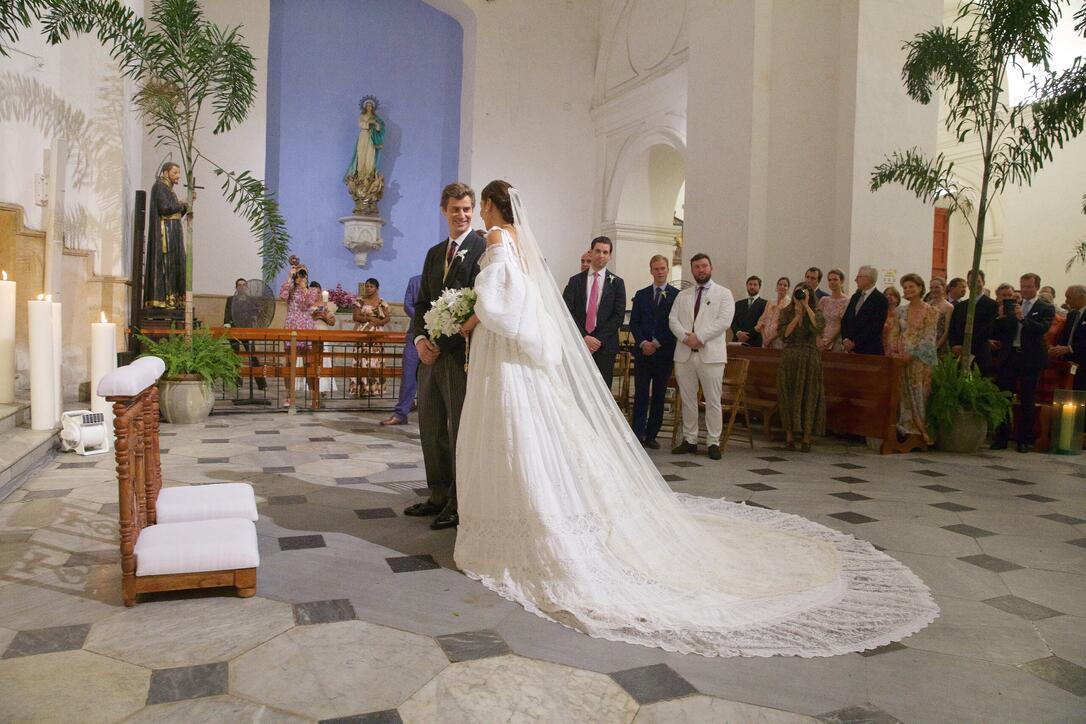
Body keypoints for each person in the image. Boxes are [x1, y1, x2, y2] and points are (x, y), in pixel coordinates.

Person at [452, 180, 937, 658]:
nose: (482, 217)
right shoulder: (522, 244)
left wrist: (473, 312)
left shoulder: (497, 238)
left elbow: (501, 301)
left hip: (512, 347)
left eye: (483, 208)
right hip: (533, 350)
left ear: (493, 207)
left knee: (519, 429)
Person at [404, 182, 487, 531]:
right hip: (430, 356)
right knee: (430, 425)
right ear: (444, 211)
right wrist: (421, 340)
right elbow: (423, 301)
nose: (462, 214)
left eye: (467, 208)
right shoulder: (435, 252)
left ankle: (458, 500)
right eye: (455, 209)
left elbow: (481, 303)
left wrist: (444, 343)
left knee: (457, 430)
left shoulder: (482, 249)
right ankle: (437, 494)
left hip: (459, 356)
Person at [668, 253, 735, 460]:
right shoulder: (683, 295)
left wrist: (700, 337)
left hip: (710, 355)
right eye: (696, 267)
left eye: (704, 266)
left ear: (711, 268)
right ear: (692, 270)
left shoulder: (723, 294)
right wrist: (684, 336)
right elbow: (672, 319)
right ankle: (690, 439)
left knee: (713, 400)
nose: (701, 270)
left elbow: (724, 321)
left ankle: (713, 441)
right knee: (688, 400)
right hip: (685, 353)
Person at [991, 273, 1054, 452]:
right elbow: (999, 332)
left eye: (1029, 287)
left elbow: (1042, 328)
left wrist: (1023, 319)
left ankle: (1024, 440)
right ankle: (1001, 437)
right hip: (1010, 355)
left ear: (1036, 288)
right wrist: (1001, 317)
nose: (1025, 290)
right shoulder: (1012, 305)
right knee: (1004, 397)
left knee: (1027, 399)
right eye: (1023, 286)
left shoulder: (1045, 307)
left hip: (1030, 358)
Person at [562, 237, 626, 389]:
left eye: (605, 252)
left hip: (605, 346)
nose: (601, 255)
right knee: (578, 388)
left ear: (610, 256)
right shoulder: (575, 281)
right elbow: (566, 311)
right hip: (579, 343)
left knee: (602, 390)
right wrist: (583, 337)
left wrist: (596, 340)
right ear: (591, 253)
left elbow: (618, 316)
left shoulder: (617, 283)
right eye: (598, 251)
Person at [629, 255, 678, 449]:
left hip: (663, 353)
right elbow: (634, 322)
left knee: (658, 395)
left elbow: (675, 324)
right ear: (651, 271)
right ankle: (637, 433)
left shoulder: (676, 295)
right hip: (643, 353)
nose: (660, 272)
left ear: (667, 270)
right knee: (641, 393)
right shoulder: (641, 295)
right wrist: (642, 342)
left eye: (663, 268)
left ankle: (651, 435)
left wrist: (657, 343)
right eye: (656, 269)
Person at [887, 274, 938, 443]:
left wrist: (912, 353)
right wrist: (894, 352)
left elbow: (929, 337)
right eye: (905, 287)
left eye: (911, 286)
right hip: (901, 358)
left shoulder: (931, 311)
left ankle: (921, 432)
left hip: (920, 360)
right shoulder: (900, 310)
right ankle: (906, 428)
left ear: (920, 288)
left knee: (919, 393)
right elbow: (894, 333)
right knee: (903, 393)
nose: (908, 290)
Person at [777, 283, 825, 452]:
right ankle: (789, 437)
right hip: (790, 356)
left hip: (810, 357)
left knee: (809, 395)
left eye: (805, 293)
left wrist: (805, 306)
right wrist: (797, 316)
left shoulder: (816, 311)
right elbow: (784, 334)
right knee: (788, 395)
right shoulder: (786, 312)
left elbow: (819, 326)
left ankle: (806, 439)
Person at [143, 162, 189, 310]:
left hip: (173, 231)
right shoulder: (160, 187)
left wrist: (186, 205)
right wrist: (181, 204)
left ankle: (175, 299)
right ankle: (167, 299)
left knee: (176, 264)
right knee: (167, 265)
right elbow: (165, 209)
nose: (178, 176)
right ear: (165, 172)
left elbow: (175, 214)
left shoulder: (168, 189)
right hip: (166, 234)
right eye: (175, 172)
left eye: (178, 173)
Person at [381, 274, 423, 426]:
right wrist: (424, 318)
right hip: (415, 332)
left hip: (438, 334)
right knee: (408, 373)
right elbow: (407, 305)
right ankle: (401, 414)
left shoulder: (443, 278)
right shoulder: (414, 281)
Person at [279, 263, 319, 408]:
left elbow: (308, 302)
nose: (301, 276)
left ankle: (314, 396)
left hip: (306, 326)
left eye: (304, 273)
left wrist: (303, 287)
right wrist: (290, 277)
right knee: (290, 362)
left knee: (309, 362)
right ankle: (289, 395)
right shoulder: (290, 289)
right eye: (299, 274)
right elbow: (282, 296)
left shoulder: (312, 290)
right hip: (292, 325)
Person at [948, 269, 998, 375]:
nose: (974, 284)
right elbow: (952, 327)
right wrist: (954, 345)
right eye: (971, 281)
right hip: (959, 353)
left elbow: (987, 329)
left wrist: (966, 346)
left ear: (983, 282)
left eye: (978, 281)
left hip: (980, 353)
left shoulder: (992, 305)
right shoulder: (960, 306)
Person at [223, 278, 266, 391]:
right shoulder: (231, 300)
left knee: (253, 355)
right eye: (239, 285)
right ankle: (237, 383)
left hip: (247, 331)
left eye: (243, 285)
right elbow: (227, 313)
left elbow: (257, 313)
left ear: (246, 287)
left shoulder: (251, 301)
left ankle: (261, 384)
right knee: (235, 356)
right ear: (236, 287)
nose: (241, 287)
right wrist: (227, 324)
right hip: (234, 330)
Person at [351, 277, 391, 397]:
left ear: (377, 289)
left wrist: (378, 322)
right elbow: (355, 317)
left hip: (376, 333)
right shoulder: (360, 301)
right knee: (362, 360)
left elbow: (387, 318)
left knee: (375, 360)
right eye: (367, 286)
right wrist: (368, 318)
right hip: (363, 331)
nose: (368, 288)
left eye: (371, 286)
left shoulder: (381, 302)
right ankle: (361, 388)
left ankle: (375, 388)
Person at [840, 266, 889, 355]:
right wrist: (845, 339)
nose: (855, 280)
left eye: (858, 277)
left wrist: (855, 343)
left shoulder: (881, 300)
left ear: (868, 279)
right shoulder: (856, 296)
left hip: (869, 349)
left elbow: (875, 326)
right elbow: (845, 319)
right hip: (850, 349)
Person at [1049, 285, 1086, 390]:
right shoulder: (1072, 315)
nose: (1066, 301)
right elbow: (1066, 336)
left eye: (1069, 297)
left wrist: (1069, 348)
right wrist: (1057, 348)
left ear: (1082, 298)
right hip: (1067, 364)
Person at [306, 281, 338, 398]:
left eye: (319, 292)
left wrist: (324, 316)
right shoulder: (305, 305)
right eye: (314, 292)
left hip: (322, 334)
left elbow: (332, 322)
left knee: (323, 361)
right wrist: (312, 316)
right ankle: (311, 388)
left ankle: (323, 387)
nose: (317, 295)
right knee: (310, 362)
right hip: (309, 335)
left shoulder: (326, 306)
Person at [346, 96, 385, 182]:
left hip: (371, 138)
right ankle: (360, 177)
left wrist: (376, 124)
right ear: (365, 107)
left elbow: (379, 128)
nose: (369, 107)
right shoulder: (362, 116)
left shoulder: (376, 117)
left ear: (373, 107)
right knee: (361, 154)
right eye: (367, 106)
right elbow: (360, 124)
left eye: (371, 106)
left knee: (370, 155)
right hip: (363, 136)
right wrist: (369, 122)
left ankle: (369, 177)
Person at [816, 268, 848, 351]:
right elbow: (817, 320)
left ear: (841, 281)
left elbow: (841, 324)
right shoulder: (824, 300)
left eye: (835, 279)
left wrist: (829, 341)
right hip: (820, 339)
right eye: (830, 280)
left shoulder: (847, 301)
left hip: (836, 340)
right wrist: (818, 338)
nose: (832, 282)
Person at [755, 277, 791, 349]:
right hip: (765, 339)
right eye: (780, 284)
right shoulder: (770, 302)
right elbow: (762, 321)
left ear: (788, 289)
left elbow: (785, 325)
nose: (782, 286)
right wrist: (765, 338)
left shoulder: (790, 303)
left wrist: (770, 339)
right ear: (776, 287)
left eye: (785, 285)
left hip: (780, 340)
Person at [731, 275, 766, 347]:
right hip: (737, 341)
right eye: (750, 284)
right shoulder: (738, 304)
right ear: (746, 286)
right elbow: (732, 321)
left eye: (755, 285)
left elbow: (762, 323)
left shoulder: (765, 304)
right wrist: (738, 333)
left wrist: (747, 336)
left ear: (759, 287)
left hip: (755, 342)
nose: (752, 287)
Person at [928, 277, 954, 353]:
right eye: (931, 287)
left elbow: (947, 330)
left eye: (937, 287)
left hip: (940, 345)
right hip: (927, 343)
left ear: (943, 288)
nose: (934, 290)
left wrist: (936, 347)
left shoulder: (948, 307)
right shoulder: (927, 304)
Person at [881, 286, 901, 352]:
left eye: (892, 295)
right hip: (881, 347)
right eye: (886, 295)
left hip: (897, 348)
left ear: (898, 299)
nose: (888, 296)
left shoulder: (901, 313)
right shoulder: (880, 313)